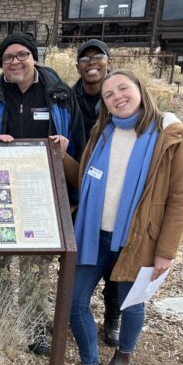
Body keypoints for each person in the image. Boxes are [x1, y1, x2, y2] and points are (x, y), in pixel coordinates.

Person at [62, 69, 183, 365]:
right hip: (94, 234)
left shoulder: (168, 135)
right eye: (109, 94)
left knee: (130, 304)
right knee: (74, 302)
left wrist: (167, 251)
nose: (117, 97)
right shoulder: (103, 132)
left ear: (139, 89)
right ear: (104, 103)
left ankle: (125, 355)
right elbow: (86, 180)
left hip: (137, 238)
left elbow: (179, 198)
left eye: (123, 88)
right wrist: (61, 155)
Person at [0, 32, 85, 356]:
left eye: (21, 55)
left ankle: (34, 327)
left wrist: (70, 171)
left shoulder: (59, 96)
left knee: (36, 262)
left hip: (41, 195)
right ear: (1, 64)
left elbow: (82, 147)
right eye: (7, 58)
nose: (14, 61)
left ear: (34, 57)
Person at [73, 39, 121, 347]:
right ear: (77, 65)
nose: (92, 63)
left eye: (98, 57)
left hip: (116, 189)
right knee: (80, 256)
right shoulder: (67, 96)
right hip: (77, 182)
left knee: (116, 260)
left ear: (107, 61)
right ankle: (75, 311)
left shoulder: (122, 96)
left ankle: (113, 318)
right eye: (85, 58)